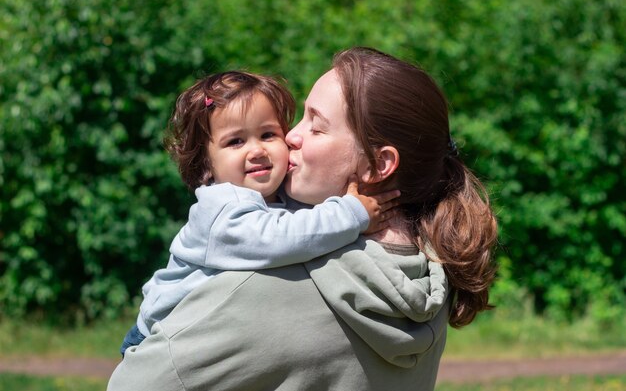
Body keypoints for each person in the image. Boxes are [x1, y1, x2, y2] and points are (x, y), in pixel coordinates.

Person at [107, 47, 497, 391]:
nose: (289, 136)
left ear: (380, 164)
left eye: (316, 124)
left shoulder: (257, 289)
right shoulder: (431, 283)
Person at [119, 70, 400, 356]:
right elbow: (278, 238)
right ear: (206, 164)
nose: (256, 150)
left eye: (268, 134)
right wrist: (350, 214)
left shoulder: (279, 196)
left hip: (210, 338)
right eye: (235, 142)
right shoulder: (221, 208)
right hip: (157, 340)